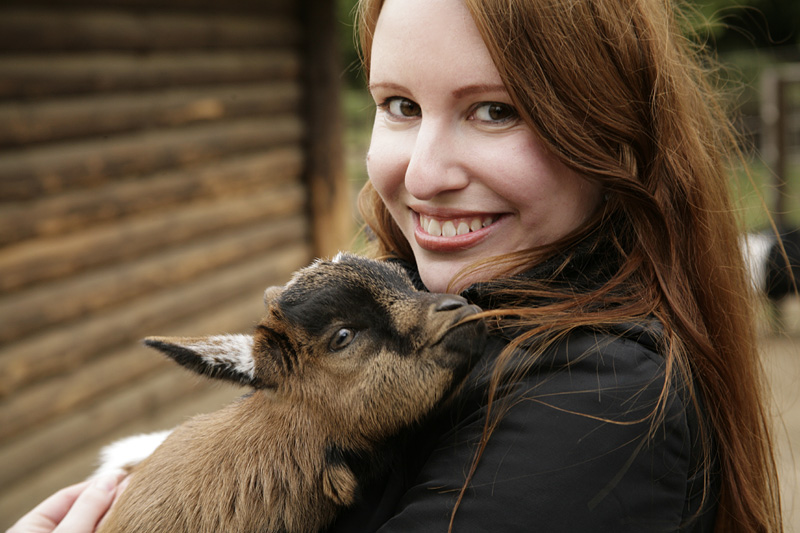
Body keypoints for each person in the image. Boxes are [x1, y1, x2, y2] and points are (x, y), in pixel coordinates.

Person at [9, 0, 783, 531]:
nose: (422, 174)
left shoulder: (602, 404)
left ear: (608, 132)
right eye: (400, 106)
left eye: (495, 110)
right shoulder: (429, 314)